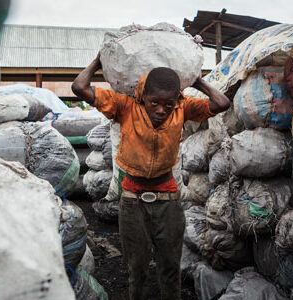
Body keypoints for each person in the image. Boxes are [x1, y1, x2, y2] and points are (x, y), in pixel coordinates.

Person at [72, 53, 230, 300]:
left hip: (168, 200)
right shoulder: (124, 106)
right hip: (132, 200)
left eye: (168, 104)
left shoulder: (182, 107)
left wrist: (197, 82)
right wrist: (97, 62)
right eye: (154, 102)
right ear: (142, 95)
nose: (161, 110)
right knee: (137, 268)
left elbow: (221, 103)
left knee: (170, 267)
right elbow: (79, 87)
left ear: (176, 99)